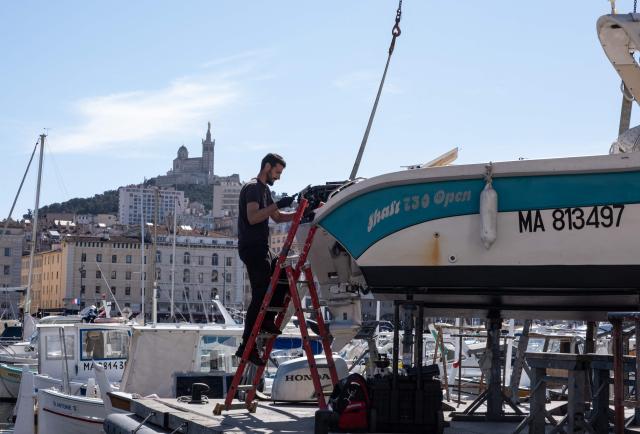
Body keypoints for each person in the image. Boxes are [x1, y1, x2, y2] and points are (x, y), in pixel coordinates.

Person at [236, 153, 296, 366]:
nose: (278, 177)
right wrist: (278, 203)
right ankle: (246, 346)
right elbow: (253, 217)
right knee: (260, 292)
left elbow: (277, 217)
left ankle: (268, 320)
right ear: (267, 167)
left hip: (262, 247)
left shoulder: (265, 190)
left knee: (282, 276)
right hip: (252, 247)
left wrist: (300, 214)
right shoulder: (252, 187)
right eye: (277, 172)